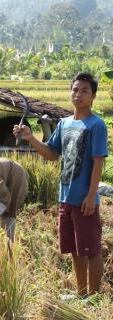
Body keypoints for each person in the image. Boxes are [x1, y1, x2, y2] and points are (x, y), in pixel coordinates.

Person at [13, 72, 109, 296]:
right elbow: (52, 154)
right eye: (75, 90)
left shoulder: (97, 125)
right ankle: (81, 293)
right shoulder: (64, 124)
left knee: (92, 250)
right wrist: (31, 138)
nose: (78, 94)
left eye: (85, 90)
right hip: (66, 196)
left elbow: (98, 163)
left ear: (93, 96)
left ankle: (94, 298)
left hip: (85, 198)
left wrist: (91, 196)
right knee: (76, 249)